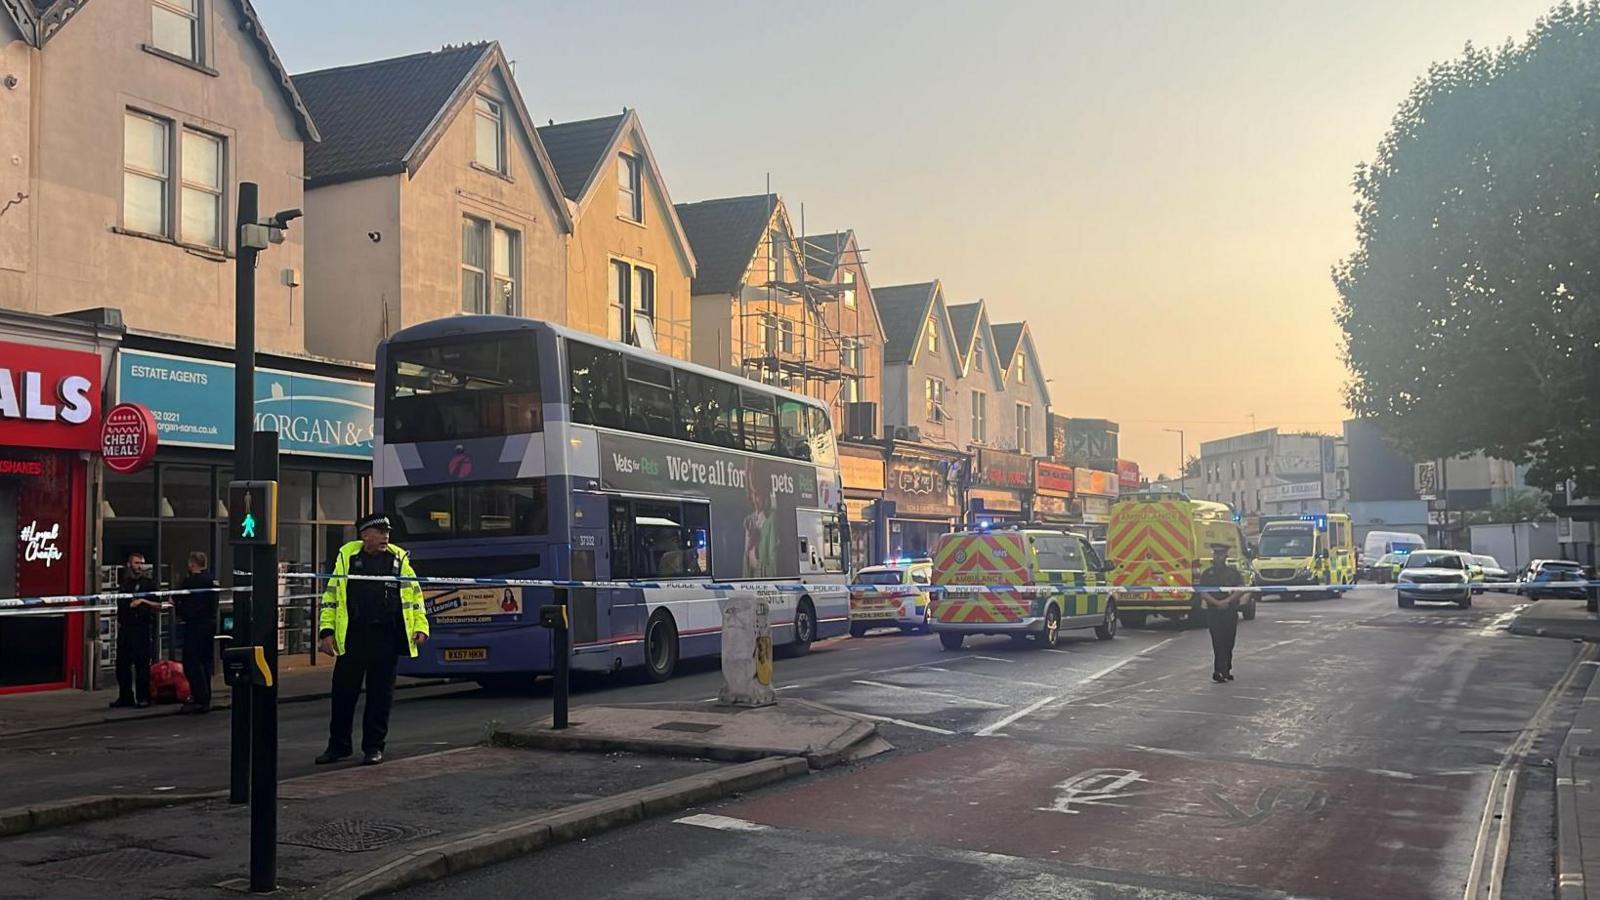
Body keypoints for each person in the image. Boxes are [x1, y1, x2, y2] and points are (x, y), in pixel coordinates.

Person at [316, 514, 429, 766]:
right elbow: (331, 597)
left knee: (380, 697)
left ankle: (374, 748)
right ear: (365, 535)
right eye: (380, 531)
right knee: (343, 695)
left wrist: (421, 627)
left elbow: (415, 596)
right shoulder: (348, 558)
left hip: (386, 637)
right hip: (353, 637)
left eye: (387, 531)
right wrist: (326, 632)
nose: (386, 536)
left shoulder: (399, 559)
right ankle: (338, 747)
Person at [111, 552, 159, 708]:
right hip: (126, 628)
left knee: (142, 665)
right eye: (137, 563)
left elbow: (160, 605)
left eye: (141, 563)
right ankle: (125, 696)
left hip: (141, 628)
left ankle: (143, 697)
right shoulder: (124, 584)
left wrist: (143, 601)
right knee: (122, 665)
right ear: (129, 564)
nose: (140, 566)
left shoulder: (149, 584)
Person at [176, 551, 219, 714]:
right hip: (209, 625)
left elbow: (182, 602)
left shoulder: (191, 582)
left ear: (192, 564)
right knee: (205, 662)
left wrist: (178, 608)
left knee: (192, 662)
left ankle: (199, 698)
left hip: (195, 625)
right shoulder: (212, 580)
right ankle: (206, 696)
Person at [1198, 544, 1247, 683]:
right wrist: (1216, 602)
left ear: (1226, 556)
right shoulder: (1207, 574)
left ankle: (1226, 669)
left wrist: (1227, 601)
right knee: (1218, 641)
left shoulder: (1233, 573)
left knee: (1229, 641)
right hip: (1214, 612)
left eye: (1220, 554)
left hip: (1230, 611)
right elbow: (1202, 592)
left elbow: (1240, 589)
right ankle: (1218, 670)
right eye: (1216, 554)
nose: (1218, 557)